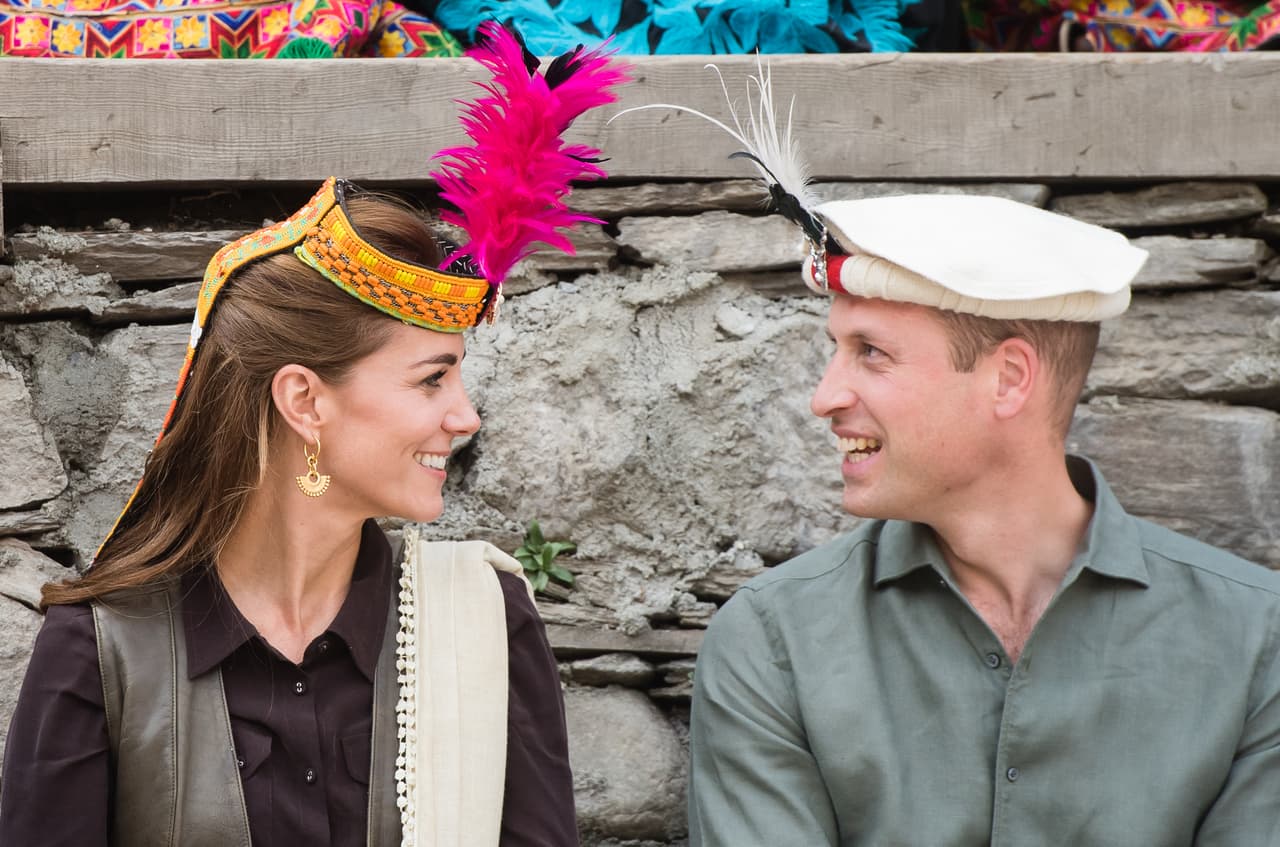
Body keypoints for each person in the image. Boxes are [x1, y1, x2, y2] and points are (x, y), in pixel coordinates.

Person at [0, 24, 628, 846]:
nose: (466, 415)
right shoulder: (102, 651)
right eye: (432, 377)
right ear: (304, 399)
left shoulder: (483, 620)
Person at [686, 192, 1280, 845]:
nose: (825, 396)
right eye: (838, 348)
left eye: (872, 352)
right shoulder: (774, 646)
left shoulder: (1256, 645)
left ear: (1009, 379)